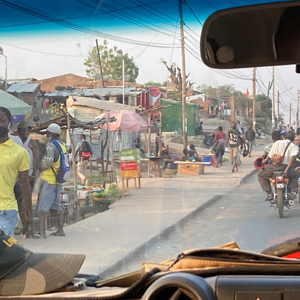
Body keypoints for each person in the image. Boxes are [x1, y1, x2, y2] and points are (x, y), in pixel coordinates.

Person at [0, 107, 32, 237]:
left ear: (9, 124)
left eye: (1, 120)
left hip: (6, 210)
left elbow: (24, 186)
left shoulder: (20, 152)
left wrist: (26, 218)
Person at [37, 123, 67, 238]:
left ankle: (42, 232)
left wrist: (40, 167)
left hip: (49, 179)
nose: (46, 135)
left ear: (51, 134)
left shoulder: (50, 145)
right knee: (57, 206)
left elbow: (49, 162)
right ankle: (60, 229)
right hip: (58, 180)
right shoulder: (63, 145)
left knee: (42, 207)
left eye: (48, 133)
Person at [258, 131, 299, 201]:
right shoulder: (294, 147)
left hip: (274, 167)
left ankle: (269, 193)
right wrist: (286, 171)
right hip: (287, 168)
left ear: (284, 137)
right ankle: (290, 191)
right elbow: (291, 161)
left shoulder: (277, 143)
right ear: (293, 139)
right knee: (296, 175)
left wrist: (264, 161)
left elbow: (270, 155)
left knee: (261, 175)